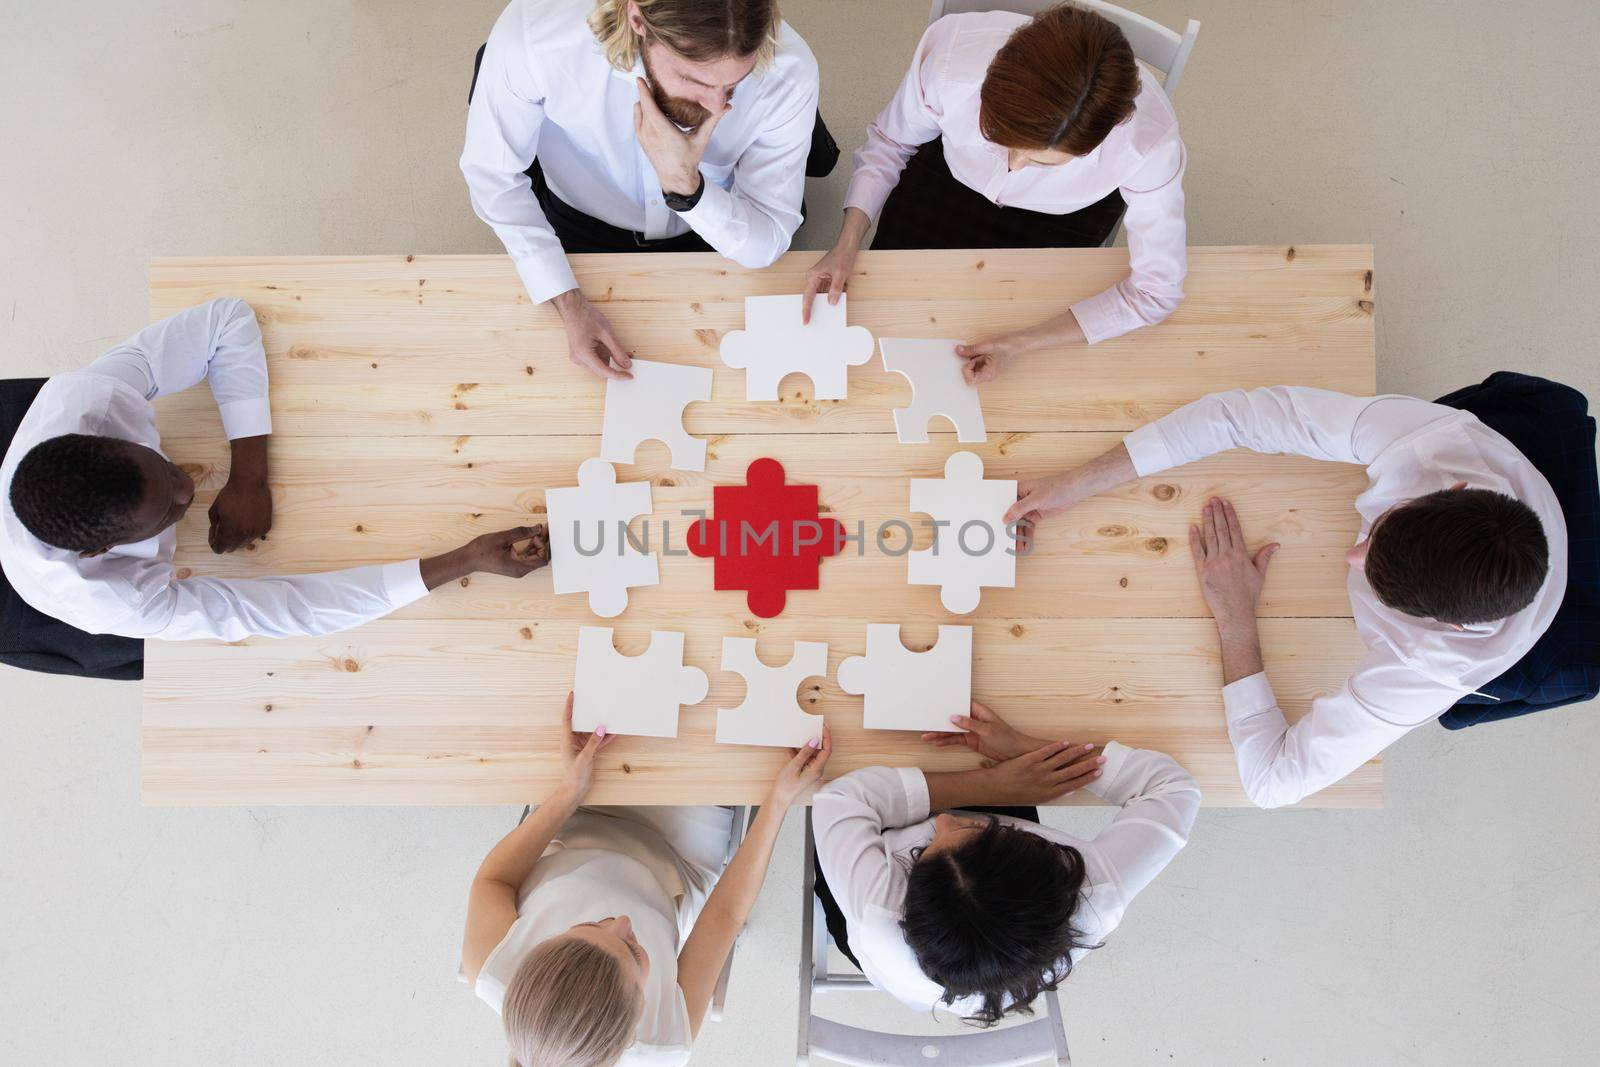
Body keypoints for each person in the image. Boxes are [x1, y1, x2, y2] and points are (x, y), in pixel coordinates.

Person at [1008, 385, 1566, 808]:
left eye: (1372, 574)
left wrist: (1234, 619)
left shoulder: (1430, 670)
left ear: (1440, 625)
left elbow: (1271, 783)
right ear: (1452, 489)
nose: (1350, 556)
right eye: (1378, 529)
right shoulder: (1437, 442)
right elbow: (1238, 414)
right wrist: (1079, 481)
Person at [0, 298, 549, 642]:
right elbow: (287, 611)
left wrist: (249, 474)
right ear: (105, 551)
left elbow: (226, 321)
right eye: (168, 510)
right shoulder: (115, 597)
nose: (188, 486)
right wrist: (466, 558)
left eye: (165, 467)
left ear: (107, 441)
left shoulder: (90, 402)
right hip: (30, 611)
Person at [804, 3, 1186, 380]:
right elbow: (891, 143)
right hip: (949, 176)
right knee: (890, 306)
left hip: (1064, 216)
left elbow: (1155, 293)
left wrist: (1021, 343)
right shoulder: (953, 60)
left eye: (1042, 162)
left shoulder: (1148, 144)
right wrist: (846, 242)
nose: (1014, 167)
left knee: (1020, 332)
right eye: (1000, 138)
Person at [461, 695, 831, 1066]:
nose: (622, 921)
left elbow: (496, 880)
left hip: (576, 817)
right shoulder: (664, 1042)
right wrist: (779, 800)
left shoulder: (492, 967)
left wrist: (569, 790)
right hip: (677, 856)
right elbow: (727, 914)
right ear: (637, 1015)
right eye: (634, 952)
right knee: (718, 724)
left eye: (589, 924)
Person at [463, 0, 820, 382]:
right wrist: (566, 300)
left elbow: (768, 236)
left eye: (734, 84)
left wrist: (687, 187)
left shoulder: (790, 68)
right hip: (579, 226)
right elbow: (493, 174)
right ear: (638, 21)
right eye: (695, 80)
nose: (718, 105)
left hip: (713, 227)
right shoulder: (537, 37)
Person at [812, 699, 1199, 1023]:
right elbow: (1174, 789)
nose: (944, 819)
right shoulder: (1094, 892)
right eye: (977, 827)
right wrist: (1024, 748)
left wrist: (993, 784)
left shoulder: (878, 911)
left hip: (885, 916)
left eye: (927, 849)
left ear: (908, 896)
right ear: (1030, 853)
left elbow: (840, 801)